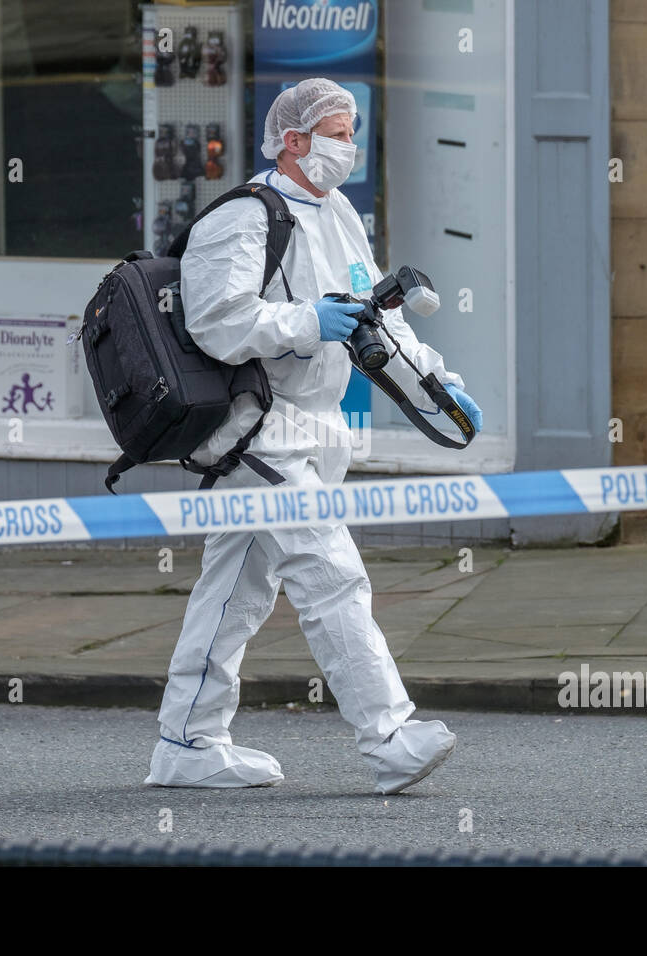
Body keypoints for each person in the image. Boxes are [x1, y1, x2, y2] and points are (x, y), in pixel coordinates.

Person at [144, 78, 484, 794]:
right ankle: (389, 738)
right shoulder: (241, 219)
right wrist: (304, 322)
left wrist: (437, 383)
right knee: (332, 574)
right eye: (336, 131)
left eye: (353, 130)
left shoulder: (338, 215)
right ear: (292, 141)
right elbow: (218, 320)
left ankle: (186, 741)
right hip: (258, 433)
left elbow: (376, 315)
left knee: (235, 591)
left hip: (315, 428)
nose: (349, 146)